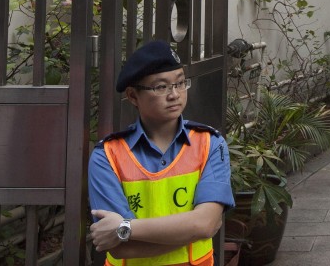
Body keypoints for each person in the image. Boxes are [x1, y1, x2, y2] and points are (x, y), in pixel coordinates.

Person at [88, 40, 234, 265]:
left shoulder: (210, 144)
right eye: (160, 87)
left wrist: (125, 227)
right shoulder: (106, 156)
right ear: (133, 96)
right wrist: (192, 229)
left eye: (180, 83)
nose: (174, 94)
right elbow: (118, 248)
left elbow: (206, 224)